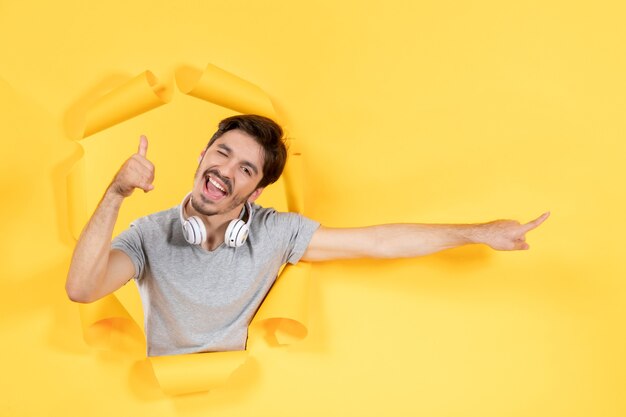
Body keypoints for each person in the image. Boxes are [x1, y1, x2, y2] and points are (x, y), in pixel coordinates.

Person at [66, 114, 549, 357]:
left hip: (244, 396)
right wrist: (117, 191)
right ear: (202, 155)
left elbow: (379, 242)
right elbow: (82, 288)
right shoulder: (150, 234)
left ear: (256, 190)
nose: (224, 171)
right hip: (161, 399)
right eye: (221, 153)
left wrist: (480, 232)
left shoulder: (275, 232)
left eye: (245, 168)